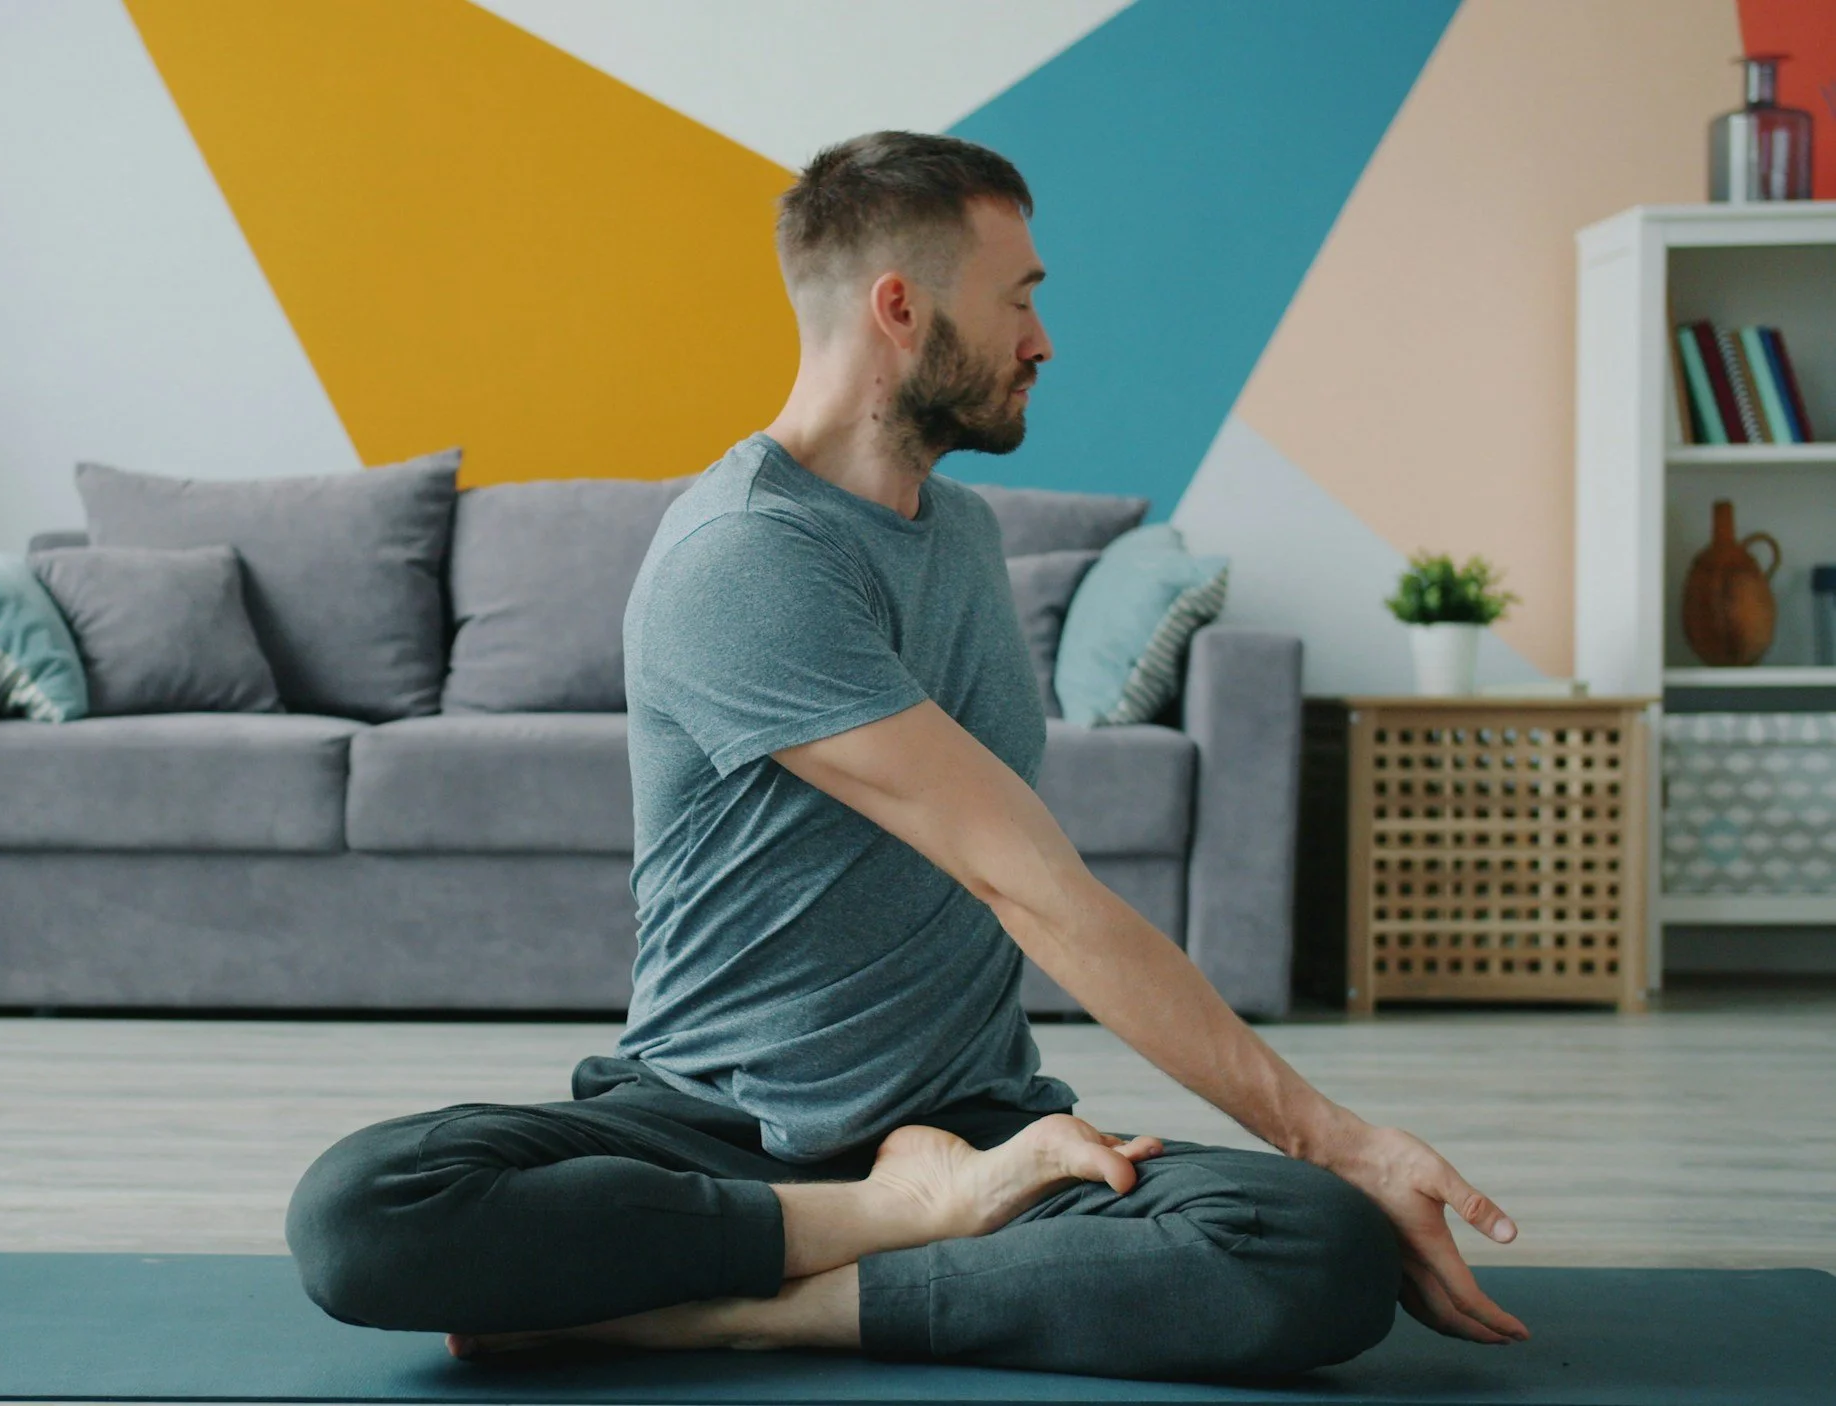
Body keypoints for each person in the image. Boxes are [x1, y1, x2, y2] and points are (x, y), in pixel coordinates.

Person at [283, 131, 1528, 1382]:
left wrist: (1314, 1174)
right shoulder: (746, 554)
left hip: (978, 1126)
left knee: (1309, 1251)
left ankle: (737, 1304)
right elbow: (1027, 881)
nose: (1044, 340)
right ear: (900, 306)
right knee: (362, 1212)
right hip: (711, 1127)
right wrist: (1337, 1136)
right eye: (1020, 298)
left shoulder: (965, 536)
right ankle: (894, 1224)